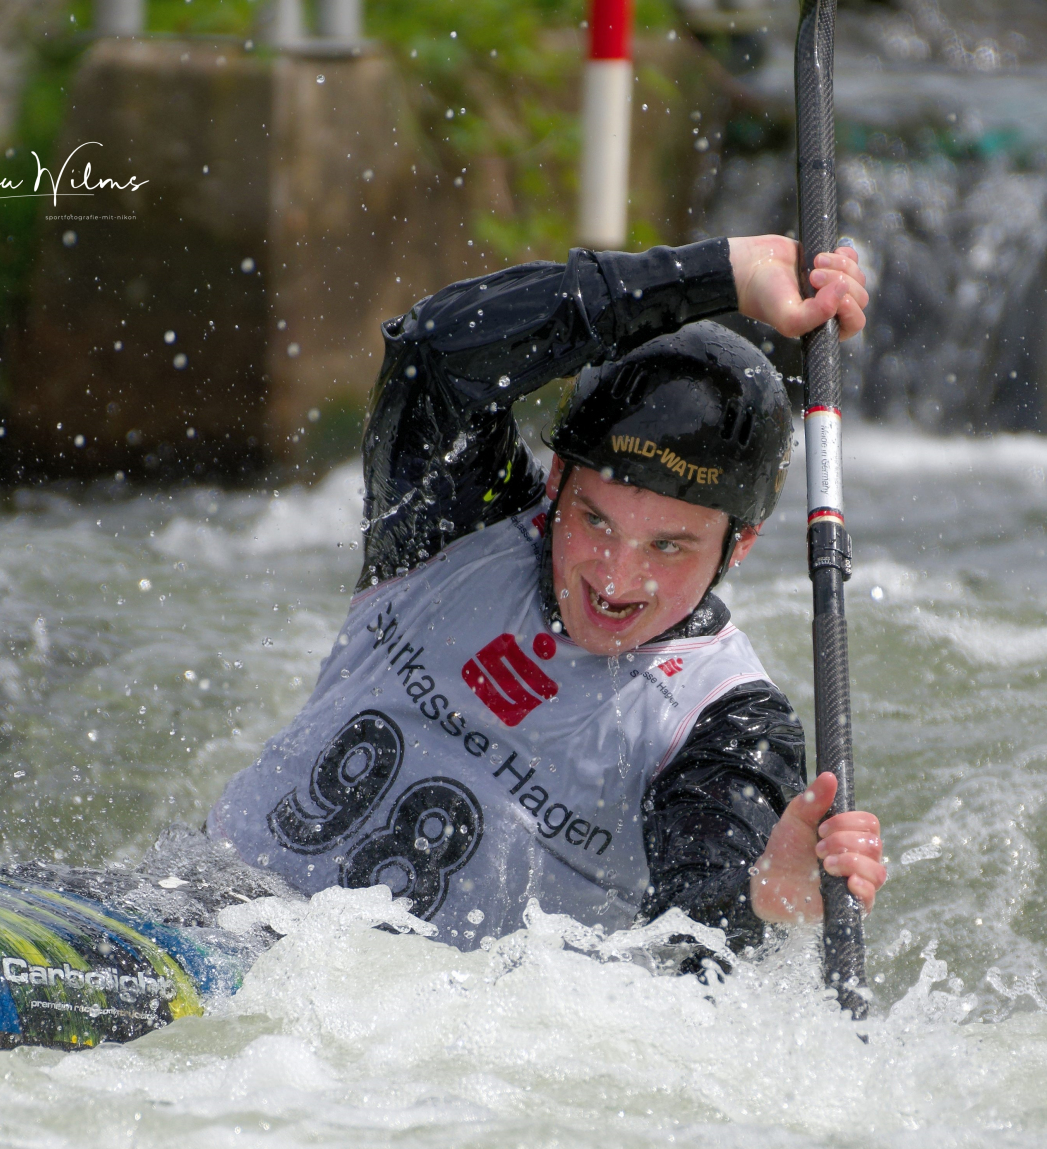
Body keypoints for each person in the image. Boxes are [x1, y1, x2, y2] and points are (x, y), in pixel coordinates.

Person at [206, 234, 886, 956]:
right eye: (595, 521)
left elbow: (690, 947)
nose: (615, 579)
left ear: (737, 547)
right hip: (211, 907)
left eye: (668, 546)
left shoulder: (722, 724)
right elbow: (434, 350)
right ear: (556, 480)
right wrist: (719, 274)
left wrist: (758, 899)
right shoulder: (457, 524)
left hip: (394, 1036)